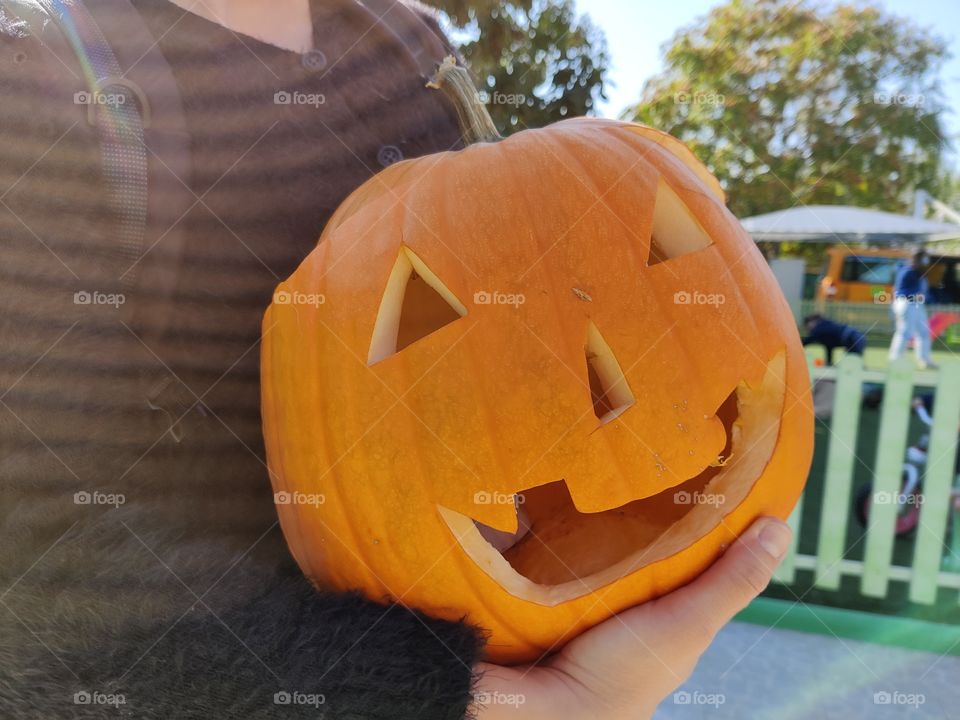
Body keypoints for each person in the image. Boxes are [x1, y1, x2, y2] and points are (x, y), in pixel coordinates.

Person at [0, 1, 792, 717]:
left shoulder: (409, 41)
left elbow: (526, 316)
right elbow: (31, 573)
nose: (608, 398)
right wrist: (514, 707)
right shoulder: (37, 79)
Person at [888, 248, 937, 369]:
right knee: (904, 332)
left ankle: (924, 359)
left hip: (916, 305)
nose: (926, 262)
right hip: (907, 304)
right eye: (923, 259)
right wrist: (918, 295)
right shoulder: (908, 271)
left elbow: (923, 293)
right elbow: (901, 291)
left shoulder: (918, 273)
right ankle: (895, 360)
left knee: (924, 332)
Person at [801, 313, 866, 366]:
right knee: (854, 362)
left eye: (807, 326)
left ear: (812, 322)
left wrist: (797, 344)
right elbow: (829, 347)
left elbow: (808, 340)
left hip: (852, 337)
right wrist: (829, 363)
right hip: (857, 336)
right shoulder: (825, 326)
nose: (808, 329)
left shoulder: (819, 328)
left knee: (852, 363)